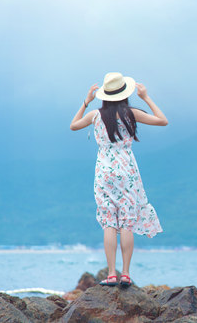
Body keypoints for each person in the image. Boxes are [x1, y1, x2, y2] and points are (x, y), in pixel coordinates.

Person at [70, 72, 168, 286]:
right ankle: (126, 274)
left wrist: (86, 102)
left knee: (109, 224)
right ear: (124, 93)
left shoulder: (95, 115)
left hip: (104, 171)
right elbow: (163, 120)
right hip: (127, 170)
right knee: (126, 222)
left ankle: (111, 274)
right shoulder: (131, 113)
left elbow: (74, 125)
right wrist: (146, 97)